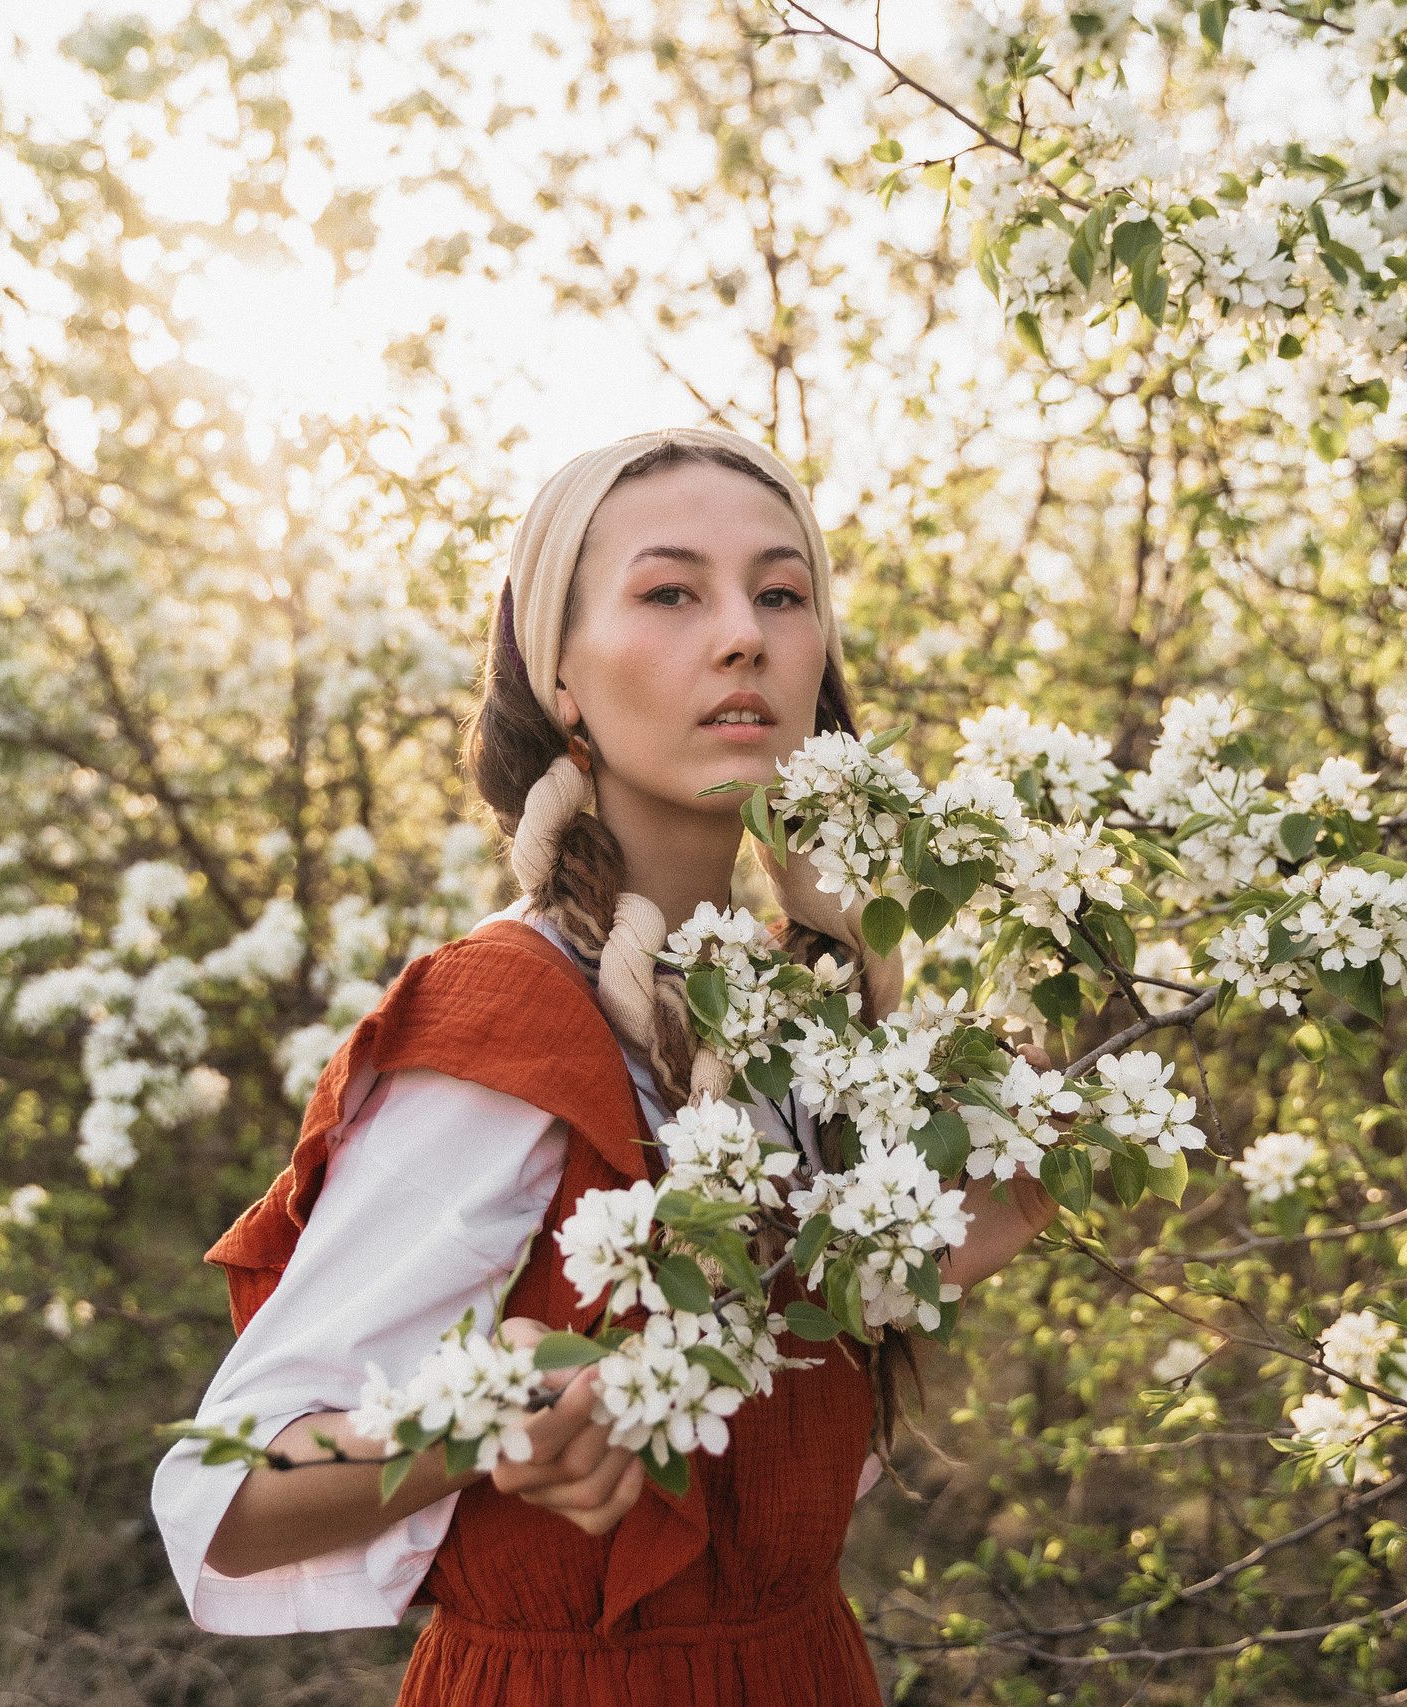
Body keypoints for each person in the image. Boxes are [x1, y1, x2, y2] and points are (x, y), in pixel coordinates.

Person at [149, 425, 1059, 1703]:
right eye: (671, 591)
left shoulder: (789, 1015)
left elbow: (787, 1375)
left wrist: (881, 997)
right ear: (559, 677)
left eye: (781, 594)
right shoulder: (509, 1021)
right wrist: (471, 1424)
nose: (740, 634)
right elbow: (226, 1487)